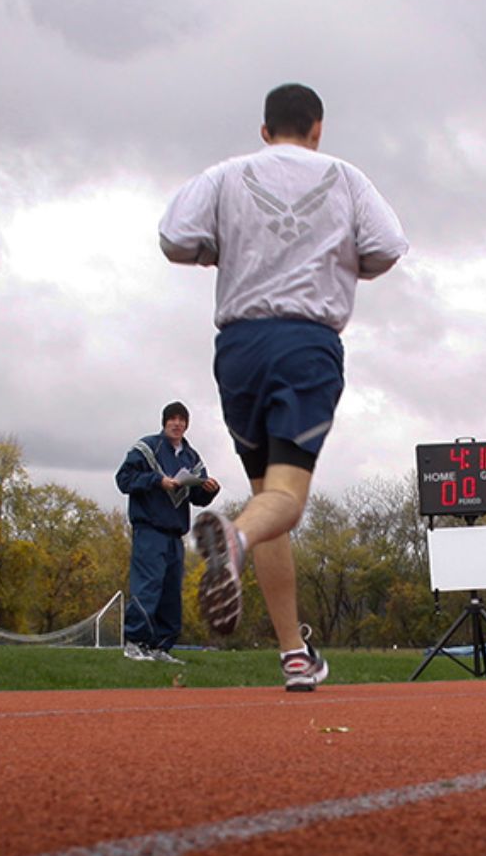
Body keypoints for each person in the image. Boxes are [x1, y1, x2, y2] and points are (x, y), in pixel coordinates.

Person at [158, 83, 408, 691]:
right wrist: (340, 260)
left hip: (239, 350)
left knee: (267, 497)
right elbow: (386, 248)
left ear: (265, 130)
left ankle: (295, 654)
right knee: (286, 499)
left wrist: (222, 251)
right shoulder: (345, 177)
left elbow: (174, 238)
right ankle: (234, 542)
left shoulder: (226, 175)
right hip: (304, 345)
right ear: (317, 129)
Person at [115, 402, 221, 664]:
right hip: (149, 529)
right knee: (148, 586)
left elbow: (196, 498)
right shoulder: (147, 448)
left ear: (187, 424)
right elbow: (124, 480)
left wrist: (209, 490)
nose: (177, 424)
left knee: (170, 592)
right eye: (172, 419)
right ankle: (135, 642)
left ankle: (160, 646)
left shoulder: (191, 457)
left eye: (181, 420)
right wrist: (156, 481)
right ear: (164, 422)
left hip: (175, 533)